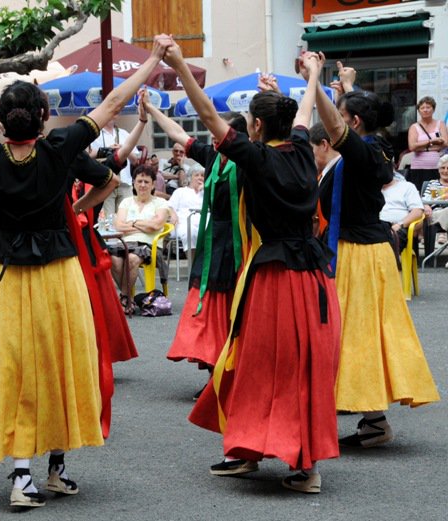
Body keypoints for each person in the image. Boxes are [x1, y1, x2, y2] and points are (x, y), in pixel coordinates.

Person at [0, 36, 169, 512]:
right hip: (58, 274)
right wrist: (154, 60)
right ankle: (55, 469)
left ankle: (22, 474)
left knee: (17, 369)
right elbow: (115, 102)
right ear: (43, 117)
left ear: (0, 118)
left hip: (7, 275)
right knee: (60, 362)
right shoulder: (61, 147)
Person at [169, 47, 341, 493]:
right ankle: (256, 450)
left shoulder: (258, 157)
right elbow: (303, 111)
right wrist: (314, 75)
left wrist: (181, 67)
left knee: (263, 363)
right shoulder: (302, 149)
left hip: (277, 279)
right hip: (314, 277)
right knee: (290, 366)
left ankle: (297, 464)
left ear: (259, 126)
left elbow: (207, 116)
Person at [314, 57, 440, 448]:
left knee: (356, 334)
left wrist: (315, 82)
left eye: (342, 113)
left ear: (351, 124)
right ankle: (371, 420)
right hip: (362, 250)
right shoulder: (372, 148)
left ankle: (368, 419)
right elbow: (348, 125)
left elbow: (338, 128)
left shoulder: (362, 152)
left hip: (359, 253)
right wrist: (345, 90)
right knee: (358, 334)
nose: (336, 116)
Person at [145, 94, 248, 392]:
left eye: (221, 133)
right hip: (213, 241)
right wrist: (153, 110)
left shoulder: (247, 160)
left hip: (239, 240)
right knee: (209, 305)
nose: (215, 138)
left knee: (232, 305)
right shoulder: (214, 156)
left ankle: (234, 376)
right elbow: (178, 134)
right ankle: (213, 374)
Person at [109, 164, 170, 314]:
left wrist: (133, 222)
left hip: (149, 245)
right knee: (113, 259)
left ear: (153, 184)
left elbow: (156, 224)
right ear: (134, 183)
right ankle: (128, 297)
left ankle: (124, 298)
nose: (142, 185)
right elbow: (118, 225)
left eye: (146, 182)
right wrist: (144, 225)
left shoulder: (161, 203)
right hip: (125, 243)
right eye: (139, 181)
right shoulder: (126, 202)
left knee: (132, 259)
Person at [91, 113, 141, 219]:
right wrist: (107, 150)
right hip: (106, 183)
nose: (114, 114)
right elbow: (89, 157)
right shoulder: (96, 135)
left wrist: (123, 150)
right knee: (108, 221)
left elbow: (135, 160)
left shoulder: (124, 134)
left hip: (125, 184)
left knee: (127, 219)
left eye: (117, 112)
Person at [407, 96, 448, 191]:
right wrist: (432, 142)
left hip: (437, 167)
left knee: (437, 193)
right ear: (419, 111)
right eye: (422, 108)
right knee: (419, 193)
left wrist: (422, 146)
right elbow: (412, 146)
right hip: (418, 167)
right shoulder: (414, 127)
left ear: (433, 109)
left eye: (428, 107)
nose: (425, 110)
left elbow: (445, 143)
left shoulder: (440, 124)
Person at [379, 175, 424, 253]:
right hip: (374, 227)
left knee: (390, 238)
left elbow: (417, 211)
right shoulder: (369, 188)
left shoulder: (407, 186)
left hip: (397, 227)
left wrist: (400, 225)